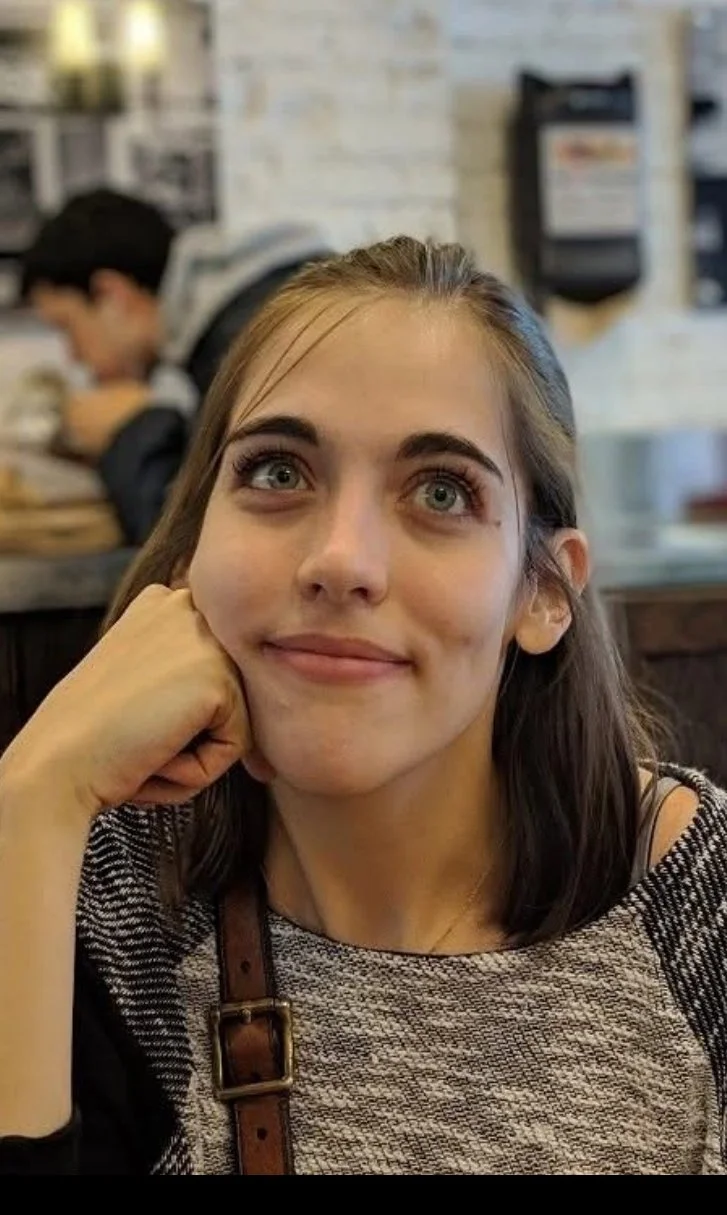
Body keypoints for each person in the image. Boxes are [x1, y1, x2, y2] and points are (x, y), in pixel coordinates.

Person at [1, 236, 725, 1176]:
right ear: (192, 550)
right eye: (276, 471)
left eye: (440, 491)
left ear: (542, 591)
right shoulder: (101, 896)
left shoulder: (696, 902)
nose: (341, 559)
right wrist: (28, 802)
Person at [19, 188, 330, 544]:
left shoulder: (247, 339)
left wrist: (129, 429)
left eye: (67, 327)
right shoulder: (243, 320)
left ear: (111, 294)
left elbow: (187, 543)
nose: (73, 355)